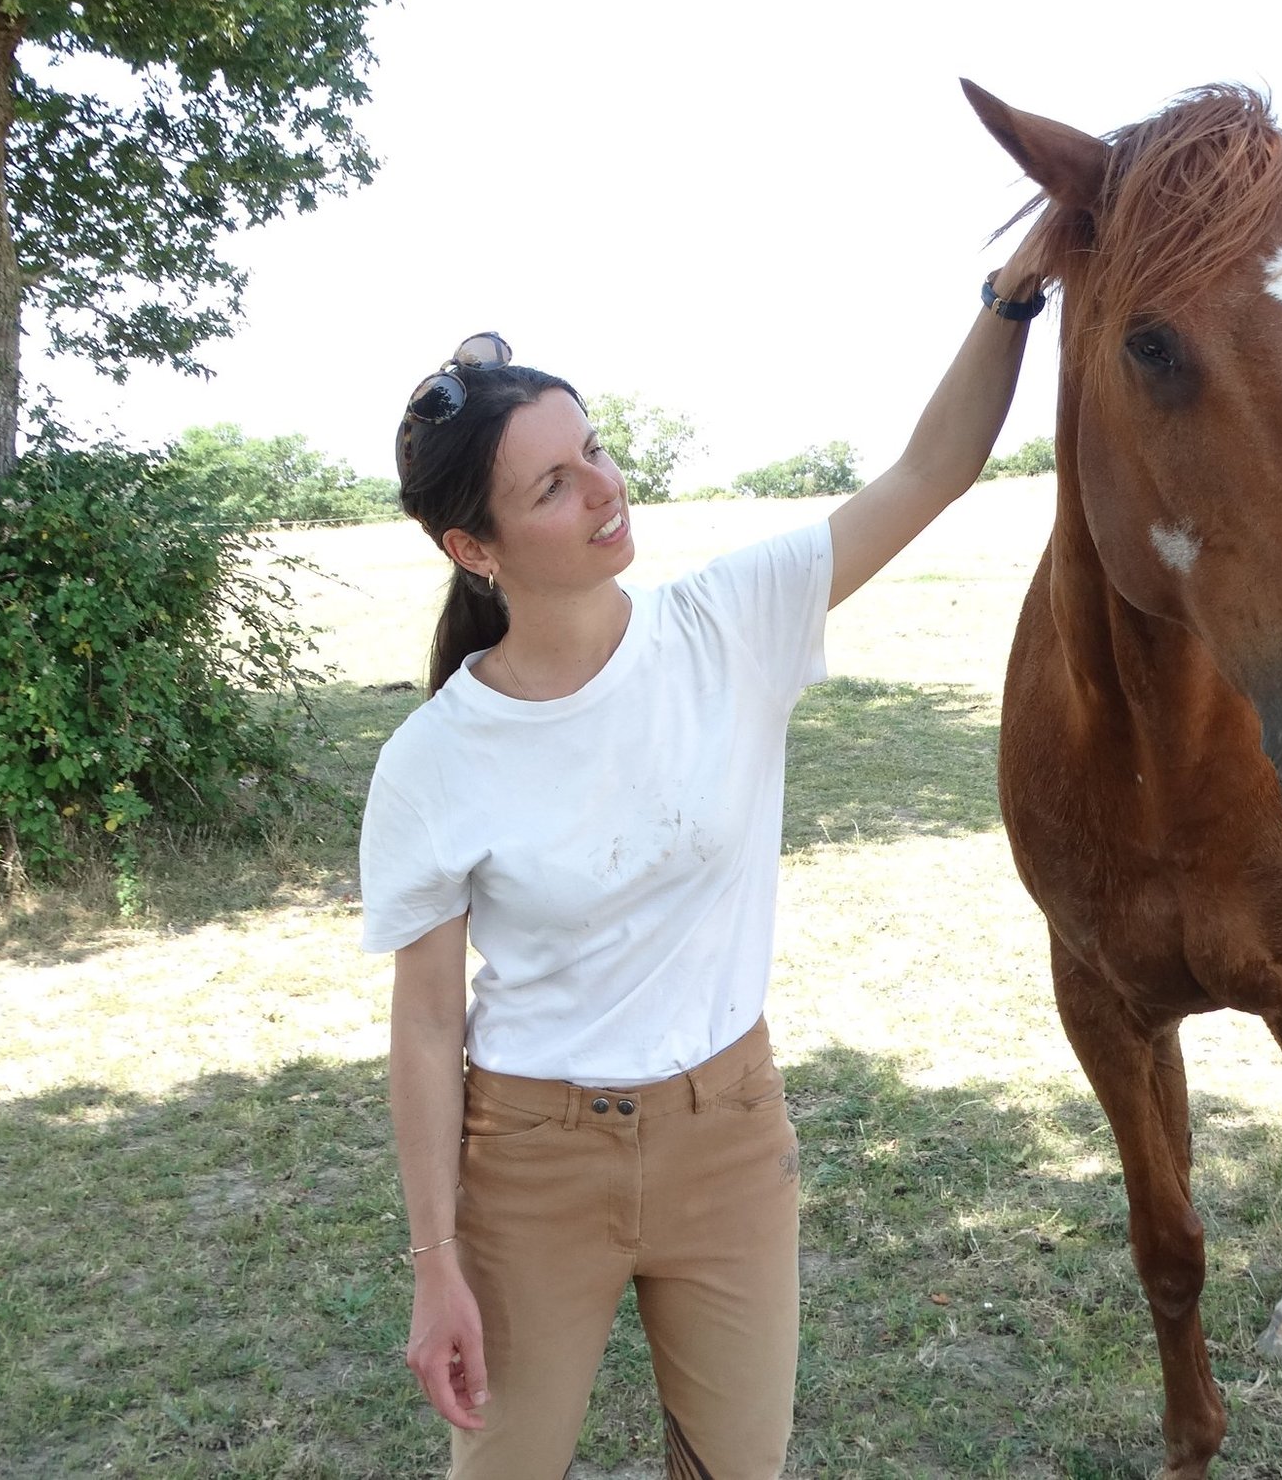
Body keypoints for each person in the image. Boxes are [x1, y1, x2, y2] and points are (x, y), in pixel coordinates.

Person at [357, 250, 1055, 1480]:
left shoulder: (730, 622)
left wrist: (1013, 298)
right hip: (529, 1159)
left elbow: (933, 469)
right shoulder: (433, 759)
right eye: (554, 486)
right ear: (475, 546)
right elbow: (423, 1027)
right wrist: (435, 1261)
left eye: (598, 451)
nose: (603, 491)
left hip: (728, 1134)